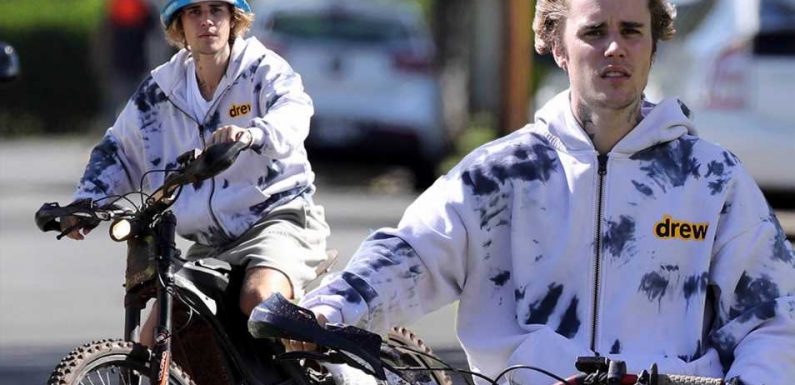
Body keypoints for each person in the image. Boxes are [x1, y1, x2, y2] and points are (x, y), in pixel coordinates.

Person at [284, 0, 795, 384]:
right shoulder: (499, 174)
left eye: (631, 31)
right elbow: (414, 252)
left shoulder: (712, 180)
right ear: (556, 45)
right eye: (594, 31)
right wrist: (325, 314)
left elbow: (773, 324)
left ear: (654, 45)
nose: (615, 46)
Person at [63, 0, 330, 347]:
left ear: (233, 20)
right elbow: (121, 149)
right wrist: (85, 202)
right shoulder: (161, 89)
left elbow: (294, 113)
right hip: (210, 244)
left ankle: (331, 364)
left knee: (259, 298)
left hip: (278, 221)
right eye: (194, 12)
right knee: (154, 337)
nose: (207, 21)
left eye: (217, 10)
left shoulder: (261, 68)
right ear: (179, 25)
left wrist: (253, 133)